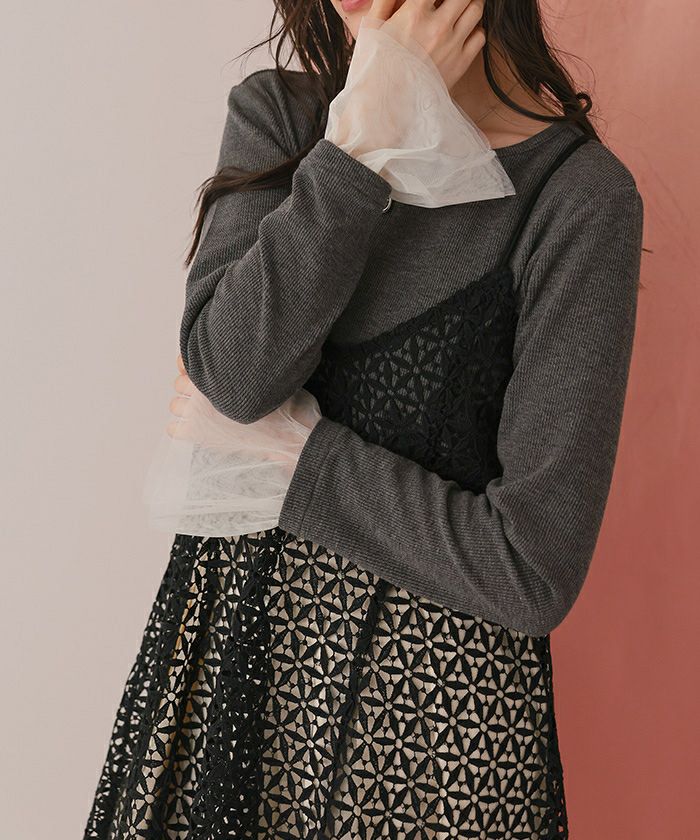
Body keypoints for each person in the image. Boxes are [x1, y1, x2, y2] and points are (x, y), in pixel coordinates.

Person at [83, 1, 645, 837]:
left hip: (432, 750)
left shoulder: (577, 199)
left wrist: (299, 459)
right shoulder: (285, 118)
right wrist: (361, 143)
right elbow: (233, 376)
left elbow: (530, 571)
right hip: (238, 697)